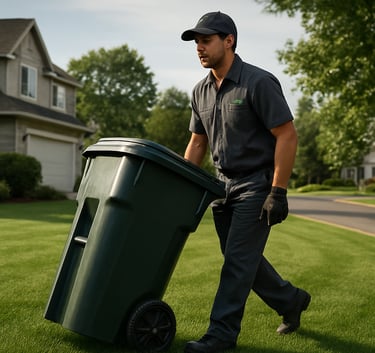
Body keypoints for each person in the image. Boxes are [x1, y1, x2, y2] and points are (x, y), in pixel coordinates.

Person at [180, 11, 311, 353]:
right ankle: (291, 300)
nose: (199, 48)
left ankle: (220, 336)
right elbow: (197, 143)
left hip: (257, 185)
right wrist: (180, 185)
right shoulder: (200, 92)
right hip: (221, 186)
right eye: (196, 42)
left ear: (229, 41)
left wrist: (277, 192)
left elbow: (287, 135)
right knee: (242, 258)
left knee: (237, 262)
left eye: (205, 40)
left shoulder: (258, 82)